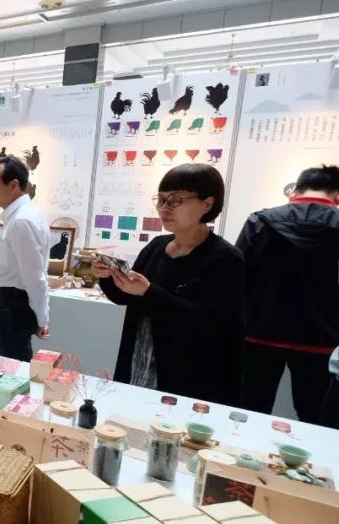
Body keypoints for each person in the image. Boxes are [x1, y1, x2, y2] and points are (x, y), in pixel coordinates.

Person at [94, 164, 243, 404]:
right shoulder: (157, 246)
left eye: (175, 200)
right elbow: (127, 297)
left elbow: (211, 323)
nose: (165, 208)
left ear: (207, 204)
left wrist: (148, 292)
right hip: (139, 359)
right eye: (161, 200)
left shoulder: (225, 258)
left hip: (189, 371)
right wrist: (108, 276)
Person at [236, 164, 339, 424]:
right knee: (315, 418)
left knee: (248, 412)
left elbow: (237, 274)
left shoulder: (260, 220)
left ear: (296, 190)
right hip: (320, 339)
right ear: (336, 196)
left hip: (258, 333)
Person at [0, 155, 51, 361]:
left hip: (11, 307)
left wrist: (42, 318)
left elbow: (34, 277)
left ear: (13, 186)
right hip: (9, 305)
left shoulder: (21, 221)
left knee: (7, 370)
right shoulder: (24, 215)